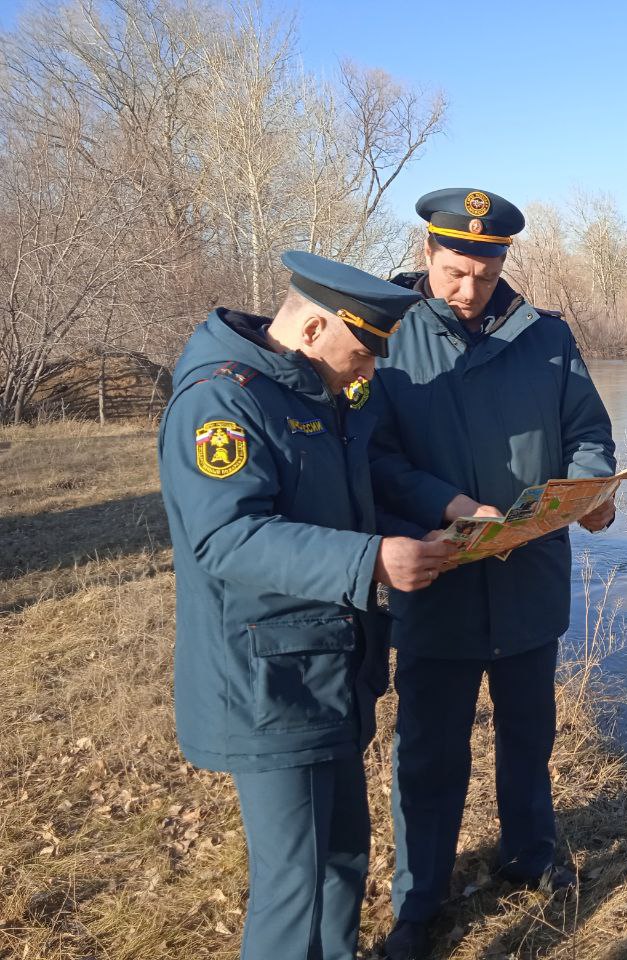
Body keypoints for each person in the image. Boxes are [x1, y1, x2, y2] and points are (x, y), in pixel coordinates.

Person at [157, 251, 457, 960]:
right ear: (317, 327)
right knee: (294, 885)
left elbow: (345, 502)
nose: (370, 370)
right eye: (363, 351)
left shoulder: (313, 391)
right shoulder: (223, 401)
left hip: (330, 673)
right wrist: (372, 561)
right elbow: (227, 538)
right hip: (268, 683)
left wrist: (427, 531)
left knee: (342, 857)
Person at [369, 188, 618, 958]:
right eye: (453, 270)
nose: (467, 287)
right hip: (437, 579)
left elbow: (588, 431)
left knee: (527, 734)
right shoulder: (386, 336)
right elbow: (372, 457)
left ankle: (529, 855)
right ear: (427, 255)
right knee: (431, 749)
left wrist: (594, 490)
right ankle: (419, 899)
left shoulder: (546, 336)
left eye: (483, 271)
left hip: (527, 583)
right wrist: (446, 504)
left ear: (504, 260)